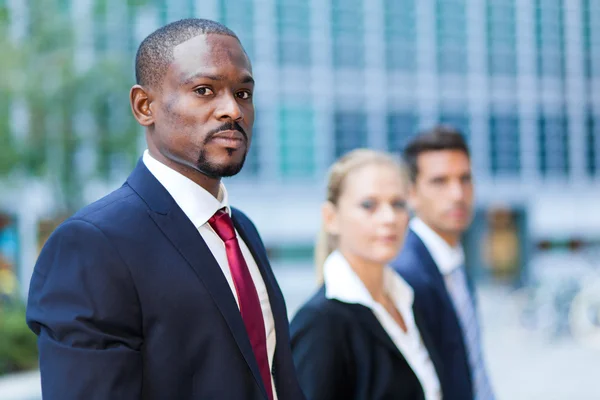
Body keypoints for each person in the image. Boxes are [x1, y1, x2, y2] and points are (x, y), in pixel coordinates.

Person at [26, 18, 305, 400]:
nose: (233, 111)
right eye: (205, 90)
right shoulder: (93, 245)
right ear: (145, 106)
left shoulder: (243, 231)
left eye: (243, 94)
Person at [290, 149, 443, 400]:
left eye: (398, 204)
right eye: (369, 205)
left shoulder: (409, 300)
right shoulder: (321, 324)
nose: (389, 218)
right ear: (331, 218)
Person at [390, 126, 495, 400]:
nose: (457, 194)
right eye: (440, 181)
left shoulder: (455, 262)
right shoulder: (405, 273)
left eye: (465, 179)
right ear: (411, 193)